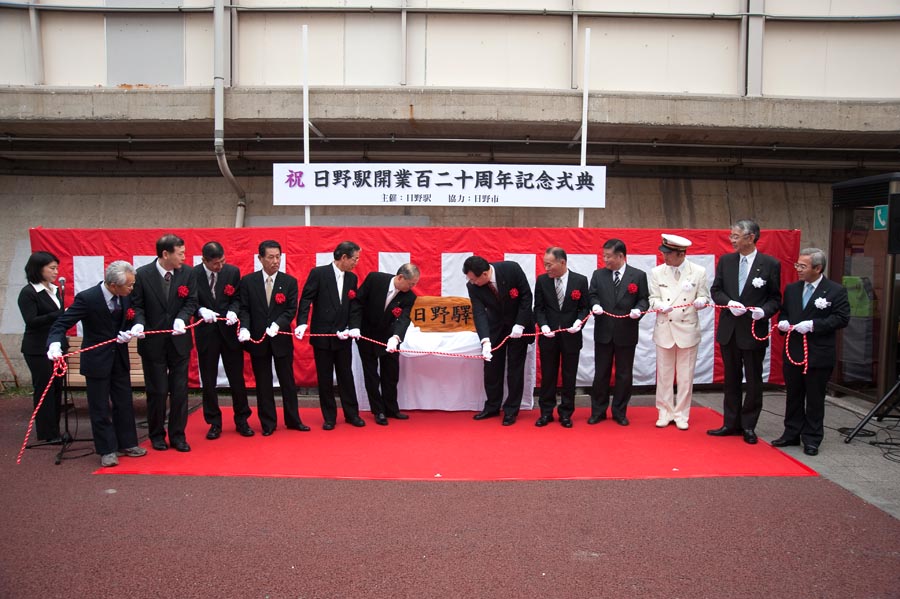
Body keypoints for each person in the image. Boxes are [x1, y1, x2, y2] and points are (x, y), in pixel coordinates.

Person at [46, 261, 147, 468]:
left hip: (119, 358)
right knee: (100, 406)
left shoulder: (126, 297)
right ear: (112, 285)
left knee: (124, 402)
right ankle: (107, 449)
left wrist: (134, 326)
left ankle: (127, 443)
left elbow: (133, 313)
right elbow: (62, 323)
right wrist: (54, 343)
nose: (131, 288)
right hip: (97, 360)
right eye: (128, 285)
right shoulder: (88, 298)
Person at [708, 219, 782, 445]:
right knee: (730, 379)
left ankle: (749, 425)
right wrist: (729, 303)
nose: (732, 240)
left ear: (751, 238)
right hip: (730, 329)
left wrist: (764, 311)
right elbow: (716, 290)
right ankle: (730, 423)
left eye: (736, 236)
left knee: (752, 380)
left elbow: (775, 298)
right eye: (731, 235)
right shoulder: (727, 261)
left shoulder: (770, 264)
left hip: (753, 329)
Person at [773, 248, 850, 456]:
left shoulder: (835, 291)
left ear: (818, 268)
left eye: (803, 266)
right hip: (794, 350)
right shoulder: (792, 289)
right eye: (797, 265)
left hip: (818, 353)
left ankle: (812, 438)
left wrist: (814, 324)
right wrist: (783, 322)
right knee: (793, 395)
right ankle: (791, 432)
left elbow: (842, 318)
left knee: (815, 397)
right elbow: (785, 312)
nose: (798, 269)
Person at [130, 233, 198, 452]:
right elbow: (137, 305)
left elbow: (191, 301)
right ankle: (156, 434)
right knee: (157, 390)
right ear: (165, 253)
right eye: (180, 254)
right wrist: (139, 323)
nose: (184, 258)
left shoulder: (187, 273)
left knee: (179, 390)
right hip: (153, 343)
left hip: (179, 342)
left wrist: (182, 318)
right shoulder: (142, 275)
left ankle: (178, 435)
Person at [237, 240, 309, 435]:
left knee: (287, 381)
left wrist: (278, 324)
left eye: (278, 257)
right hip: (258, 340)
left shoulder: (289, 282)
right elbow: (244, 309)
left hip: (280, 339)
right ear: (260, 258)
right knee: (263, 382)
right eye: (270, 257)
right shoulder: (248, 282)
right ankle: (268, 423)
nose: (275, 261)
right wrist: (244, 328)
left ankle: (293, 420)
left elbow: (291, 309)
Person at [295, 241, 365, 430]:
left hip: (343, 336)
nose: (356, 262)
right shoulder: (319, 273)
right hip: (323, 335)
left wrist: (353, 327)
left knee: (346, 376)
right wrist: (302, 322)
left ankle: (352, 414)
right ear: (343, 257)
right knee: (325, 378)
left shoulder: (352, 278)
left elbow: (353, 306)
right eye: (354, 258)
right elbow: (306, 298)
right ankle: (329, 417)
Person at [647, 234, 710, 430]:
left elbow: (704, 295)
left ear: (681, 254)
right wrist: (658, 305)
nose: (664, 257)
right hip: (666, 327)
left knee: (685, 376)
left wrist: (702, 302)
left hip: (687, 328)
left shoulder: (698, 272)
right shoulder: (657, 272)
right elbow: (652, 297)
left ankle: (682, 413)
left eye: (669, 253)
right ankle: (664, 411)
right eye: (663, 253)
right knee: (664, 375)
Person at [463, 255, 535, 426]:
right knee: (492, 369)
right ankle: (492, 406)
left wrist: (520, 324)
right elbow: (479, 312)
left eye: (474, 279)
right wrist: (485, 340)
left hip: (519, 326)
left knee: (515, 370)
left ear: (486, 273)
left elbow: (526, 296)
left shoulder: (511, 269)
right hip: (495, 328)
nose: (472, 282)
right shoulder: (472, 286)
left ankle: (511, 410)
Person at [193, 241, 254, 440]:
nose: (219, 267)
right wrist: (200, 310)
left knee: (237, 378)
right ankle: (214, 422)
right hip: (207, 333)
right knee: (209, 380)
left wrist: (232, 311)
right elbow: (189, 302)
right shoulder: (192, 275)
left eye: (222, 261)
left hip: (228, 333)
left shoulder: (232, 272)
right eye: (215, 264)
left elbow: (237, 298)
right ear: (204, 260)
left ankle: (242, 419)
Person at [588, 239, 649, 426]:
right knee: (601, 373)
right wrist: (595, 305)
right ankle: (598, 411)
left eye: (608, 256)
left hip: (626, 331)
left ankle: (619, 411)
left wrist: (639, 310)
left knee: (624, 374)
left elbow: (644, 299)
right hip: (604, 331)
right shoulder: (598, 275)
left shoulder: (638, 276)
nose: (605, 260)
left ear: (621, 256)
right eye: (603, 255)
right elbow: (592, 295)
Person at [355, 263, 420, 425]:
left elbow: (404, 319)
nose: (413, 287)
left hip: (389, 337)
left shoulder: (409, 297)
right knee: (371, 375)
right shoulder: (375, 279)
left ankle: (391, 408)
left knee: (391, 374)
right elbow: (358, 302)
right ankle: (378, 411)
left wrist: (396, 337)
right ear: (400, 278)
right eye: (411, 283)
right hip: (367, 335)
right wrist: (354, 326)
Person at [533, 247, 589, 428]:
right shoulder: (542, 281)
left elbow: (584, 308)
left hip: (571, 337)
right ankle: (546, 412)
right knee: (548, 375)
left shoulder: (580, 281)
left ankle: (566, 412)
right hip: (549, 337)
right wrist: (543, 325)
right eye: (545, 265)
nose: (546, 269)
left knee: (569, 375)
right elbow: (538, 308)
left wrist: (579, 322)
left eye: (549, 265)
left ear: (562, 262)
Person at [18, 251, 66, 443]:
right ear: (39, 269)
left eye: (56, 268)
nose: (56, 272)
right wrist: (59, 315)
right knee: (44, 388)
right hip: (37, 348)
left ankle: (55, 429)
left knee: (56, 388)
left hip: (55, 346)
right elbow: (31, 320)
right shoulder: (29, 292)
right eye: (52, 268)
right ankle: (46, 432)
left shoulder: (54, 290)